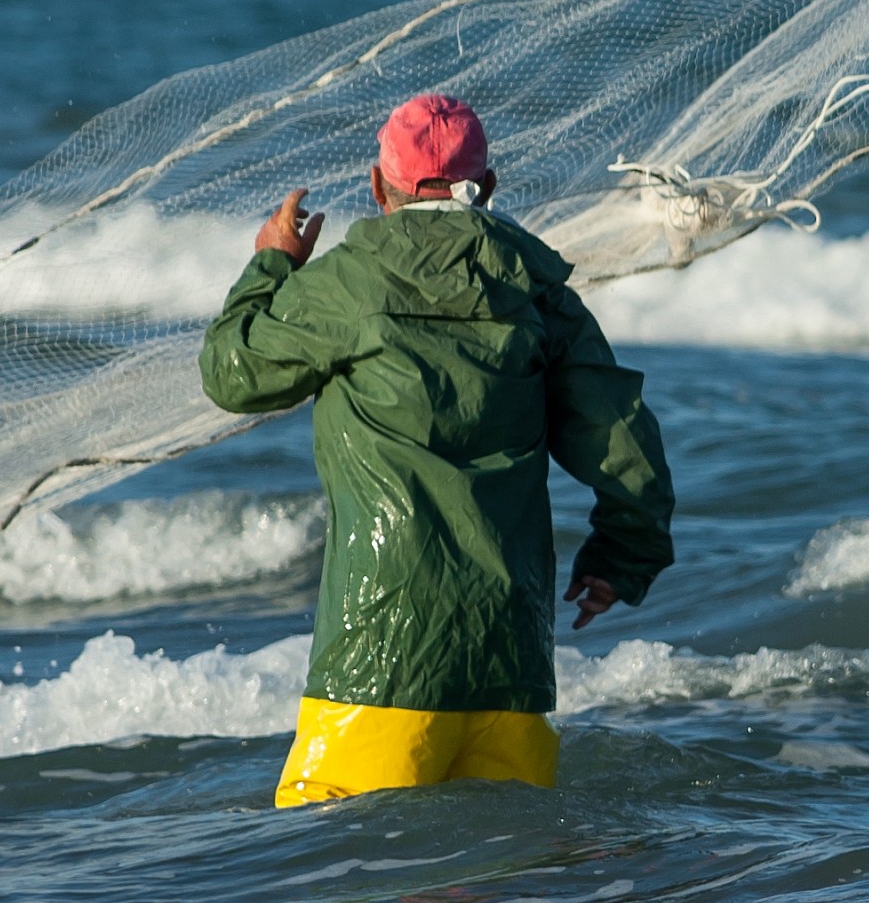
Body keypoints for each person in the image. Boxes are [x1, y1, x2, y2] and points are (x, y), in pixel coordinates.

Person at [200, 93, 676, 808]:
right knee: (503, 897)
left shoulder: (346, 283)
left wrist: (270, 266)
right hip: (511, 660)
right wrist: (621, 559)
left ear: (376, 187)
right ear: (485, 188)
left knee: (343, 890)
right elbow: (625, 440)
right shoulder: (539, 292)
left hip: (380, 659)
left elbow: (231, 373)